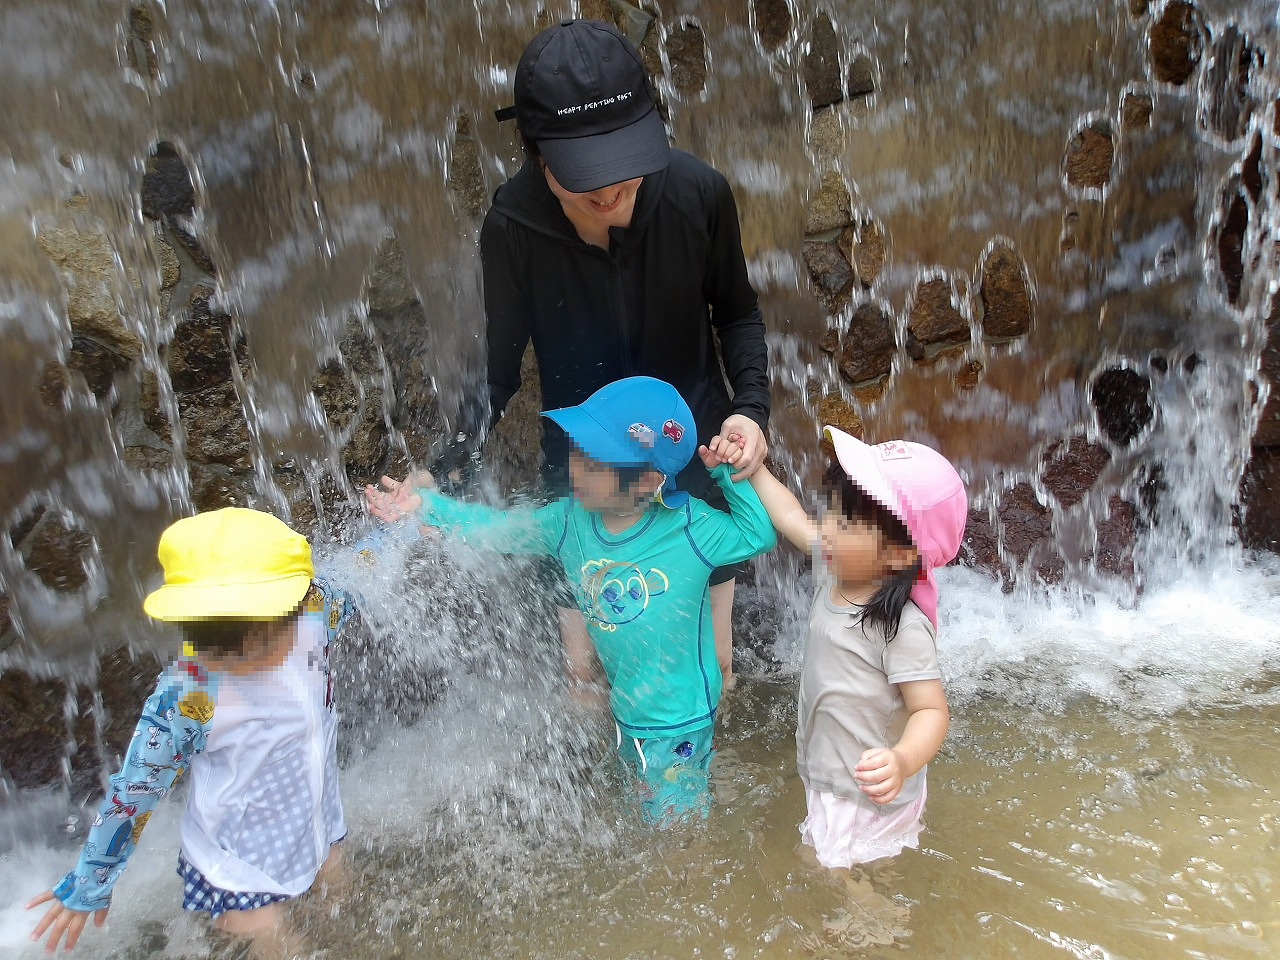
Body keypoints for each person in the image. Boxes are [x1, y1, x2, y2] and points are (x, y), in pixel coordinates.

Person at [463, 18, 772, 690]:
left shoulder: (697, 194)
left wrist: (750, 411)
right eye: (585, 176)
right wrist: (446, 466)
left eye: (623, 169)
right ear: (537, 153)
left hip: (692, 466)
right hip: (583, 480)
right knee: (587, 678)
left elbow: (738, 313)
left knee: (712, 666)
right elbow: (496, 371)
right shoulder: (513, 228)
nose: (607, 193)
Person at [366, 377, 776, 823]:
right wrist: (427, 505)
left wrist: (726, 475)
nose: (577, 469)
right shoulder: (568, 522)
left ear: (647, 480)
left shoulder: (690, 528)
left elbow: (758, 533)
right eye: (578, 453)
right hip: (628, 708)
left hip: (681, 721)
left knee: (678, 828)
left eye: (595, 465)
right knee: (635, 805)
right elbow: (500, 529)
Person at [26, 508, 367, 954]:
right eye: (211, 644)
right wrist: (91, 882)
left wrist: (402, 526)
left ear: (297, 607)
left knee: (343, 891)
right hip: (234, 863)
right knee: (276, 940)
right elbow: (135, 791)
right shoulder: (189, 694)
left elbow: (363, 572)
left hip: (316, 821)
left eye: (251, 646)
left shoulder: (317, 614)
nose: (229, 661)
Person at [707, 427, 965, 866]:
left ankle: (870, 906)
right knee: (842, 869)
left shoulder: (900, 625)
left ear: (899, 555)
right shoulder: (839, 565)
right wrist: (750, 468)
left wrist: (902, 760)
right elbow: (789, 514)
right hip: (835, 773)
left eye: (845, 523)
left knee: (824, 873)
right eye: (832, 511)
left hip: (865, 792)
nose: (827, 527)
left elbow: (931, 710)